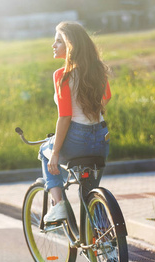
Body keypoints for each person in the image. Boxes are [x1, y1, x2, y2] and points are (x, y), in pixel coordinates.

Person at [39, 21, 112, 223]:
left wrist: (55, 154)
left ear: (70, 45)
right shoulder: (98, 69)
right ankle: (106, 245)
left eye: (58, 41)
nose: (53, 45)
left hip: (77, 139)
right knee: (90, 194)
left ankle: (59, 205)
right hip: (101, 137)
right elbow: (106, 97)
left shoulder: (62, 75)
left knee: (44, 152)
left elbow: (65, 117)